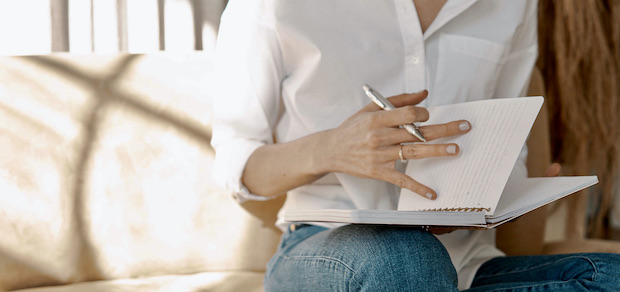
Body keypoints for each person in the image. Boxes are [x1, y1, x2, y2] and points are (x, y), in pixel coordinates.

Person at [211, 0, 620, 291]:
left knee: (609, 276)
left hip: (467, 261)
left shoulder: (512, 4)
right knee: (406, 256)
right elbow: (236, 163)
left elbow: (508, 148)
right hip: (325, 250)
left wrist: (498, 197)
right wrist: (330, 149)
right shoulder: (271, 5)